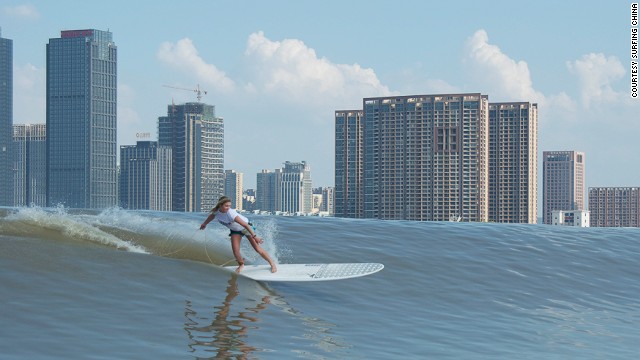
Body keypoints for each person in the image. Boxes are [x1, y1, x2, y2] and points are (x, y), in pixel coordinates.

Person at [200, 196, 277, 273]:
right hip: (235, 230)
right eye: (226, 206)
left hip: (246, 227)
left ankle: (272, 264)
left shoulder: (231, 213)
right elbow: (211, 216)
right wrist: (204, 224)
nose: (228, 208)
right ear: (220, 205)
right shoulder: (216, 212)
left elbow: (246, 225)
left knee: (257, 248)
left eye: (229, 206)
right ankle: (241, 264)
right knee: (235, 251)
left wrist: (255, 236)